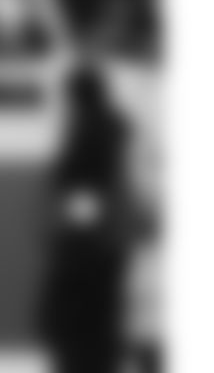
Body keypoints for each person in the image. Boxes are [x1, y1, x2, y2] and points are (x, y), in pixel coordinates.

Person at [38, 62, 133, 373]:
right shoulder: (113, 128)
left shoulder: (90, 133)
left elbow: (81, 193)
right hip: (108, 242)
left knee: (80, 329)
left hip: (88, 245)